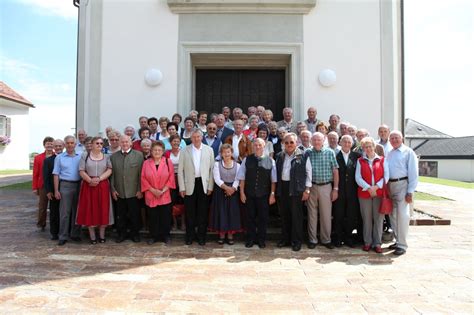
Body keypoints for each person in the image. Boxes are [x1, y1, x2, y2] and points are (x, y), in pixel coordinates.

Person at [237, 138, 277, 249]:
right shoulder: (247, 160)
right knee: (250, 218)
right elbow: (242, 177)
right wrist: (241, 192)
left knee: (263, 218)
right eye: (255, 145)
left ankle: (261, 240)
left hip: (264, 195)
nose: (257, 147)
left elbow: (273, 180)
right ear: (252, 146)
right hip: (249, 193)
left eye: (260, 145)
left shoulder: (271, 161)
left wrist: (272, 194)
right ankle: (250, 239)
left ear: (264, 146)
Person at [275, 133, 312, 251]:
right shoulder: (280, 155)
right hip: (283, 188)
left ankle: (296, 241)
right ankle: (285, 239)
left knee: (296, 216)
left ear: (296, 143)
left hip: (296, 189)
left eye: (291, 142)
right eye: (286, 142)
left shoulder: (303, 155)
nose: (289, 145)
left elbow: (308, 172)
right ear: (283, 144)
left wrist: (307, 189)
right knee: (284, 215)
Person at [178, 129, 215, 245]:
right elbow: (180, 171)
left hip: (203, 185)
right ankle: (190, 236)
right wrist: (182, 188)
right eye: (193, 137)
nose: (196, 139)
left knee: (202, 213)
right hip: (189, 185)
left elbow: (212, 170)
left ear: (202, 137)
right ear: (191, 138)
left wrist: (210, 186)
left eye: (198, 136)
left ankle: (201, 237)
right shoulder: (184, 151)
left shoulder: (209, 150)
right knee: (190, 213)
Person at [386, 130, 418, 256]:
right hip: (390, 185)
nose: (394, 140)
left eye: (396, 138)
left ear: (402, 138)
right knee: (393, 215)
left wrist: (410, 191)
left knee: (403, 215)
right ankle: (398, 240)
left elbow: (413, 173)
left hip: (403, 185)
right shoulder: (390, 153)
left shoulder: (408, 152)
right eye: (392, 138)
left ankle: (402, 245)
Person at [76, 136, 113, 244]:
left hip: (102, 186)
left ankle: (102, 235)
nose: (99, 145)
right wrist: (90, 180)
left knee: (103, 209)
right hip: (89, 186)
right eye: (97, 143)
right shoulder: (85, 156)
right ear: (91, 144)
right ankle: (92, 236)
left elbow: (109, 169)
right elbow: (81, 170)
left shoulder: (106, 157)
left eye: (101, 144)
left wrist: (99, 179)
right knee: (90, 209)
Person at [355, 137, 389, 253]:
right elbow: (358, 177)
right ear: (363, 148)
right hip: (365, 193)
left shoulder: (382, 160)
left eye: (370, 146)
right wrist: (369, 188)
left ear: (374, 147)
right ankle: (367, 242)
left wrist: (376, 187)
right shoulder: (360, 161)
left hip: (379, 193)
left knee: (379, 219)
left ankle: (377, 243)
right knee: (367, 219)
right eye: (365, 147)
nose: (368, 149)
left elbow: (386, 176)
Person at [306, 132, 339, 249]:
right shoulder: (307, 153)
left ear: (323, 140)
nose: (316, 142)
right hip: (312, 187)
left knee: (326, 215)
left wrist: (335, 188)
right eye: (314, 140)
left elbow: (335, 171)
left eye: (318, 140)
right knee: (312, 214)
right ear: (311, 141)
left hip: (326, 187)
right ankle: (312, 239)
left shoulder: (330, 152)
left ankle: (326, 239)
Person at [110, 135, 144, 243]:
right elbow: (112, 175)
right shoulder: (114, 157)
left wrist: (140, 189)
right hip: (119, 192)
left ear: (131, 143)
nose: (124, 144)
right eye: (122, 142)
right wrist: (113, 189)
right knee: (121, 215)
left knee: (135, 215)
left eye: (126, 142)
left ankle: (135, 234)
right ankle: (122, 234)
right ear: (119, 143)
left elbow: (141, 174)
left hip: (134, 191)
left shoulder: (138, 155)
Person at [141, 141, 176, 245]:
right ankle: (153, 236)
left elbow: (171, 178)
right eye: (155, 150)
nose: (157, 152)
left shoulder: (167, 162)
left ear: (163, 151)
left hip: (164, 194)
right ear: (151, 151)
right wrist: (153, 190)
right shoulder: (146, 163)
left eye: (159, 150)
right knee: (152, 216)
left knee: (165, 216)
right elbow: (143, 178)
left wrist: (162, 190)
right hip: (151, 193)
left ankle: (166, 235)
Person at [209, 144, 242, 245]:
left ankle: (230, 235)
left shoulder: (238, 165)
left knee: (231, 213)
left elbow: (238, 178)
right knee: (221, 213)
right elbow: (217, 179)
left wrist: (233, 188)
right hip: (220, 191)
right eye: (224, 152)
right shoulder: (216, 164)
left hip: (233, 192)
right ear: (221, 154)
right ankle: (222, 235)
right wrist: (226, 188)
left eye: (228, 152)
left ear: (231, 153)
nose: (226, 154)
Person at [53, 135, 82, 245]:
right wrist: (56, 190)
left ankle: (75, 234)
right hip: (65, 185)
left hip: (79, 185)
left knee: (77, 211)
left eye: (72, 143)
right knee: (65, 212)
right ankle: (63, 236)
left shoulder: (80, 156)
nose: (70, 145)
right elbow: (56, 174)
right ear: (65, 145)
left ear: (75, 144)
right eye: (68, 143)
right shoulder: (59, 157)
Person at [333, 135, 361, 248]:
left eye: (349, 142)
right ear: (340, 143)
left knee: (351, 215)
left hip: (352, 191)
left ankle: (349, 237)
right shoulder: (334, 155)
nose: (347, 144)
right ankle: (338, 237)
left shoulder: (357, 156)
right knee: (338, 214)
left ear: (352, 144)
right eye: (345, 141)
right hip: (339, 190)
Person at [43, 139, 64, 240]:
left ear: (63, 146)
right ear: (54, 147)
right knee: (54, 212)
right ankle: (54, 232)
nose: (58, 148)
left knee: (65, 212)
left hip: (65, 189)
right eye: (56, 146)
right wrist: (48, 191)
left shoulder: (67, 158)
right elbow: (46, 177)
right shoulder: (48, 160)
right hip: (53, 190)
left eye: (60, 146)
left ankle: (65, 231)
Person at [32, 136, 55, 231]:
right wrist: (35, 187)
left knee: (54, 207)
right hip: (42, 185)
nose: (49, 145)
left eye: (51, 143)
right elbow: (35, 173)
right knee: (42, 206)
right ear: (44, 145)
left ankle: (54, 225)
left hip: (54, 185)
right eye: (47, 143)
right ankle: (41, 224)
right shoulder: (38, 158)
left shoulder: (57, 156)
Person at [165, 134, 185, 230]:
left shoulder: (184, 152)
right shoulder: (167, 154)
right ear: (170, 142)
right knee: (171, 202)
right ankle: (174, 223)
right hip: (170, 180)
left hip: (182, 179)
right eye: (174, 141)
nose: (176, 143)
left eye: (177, 141)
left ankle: (183, 223)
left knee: (184, 201)